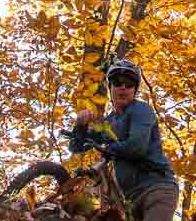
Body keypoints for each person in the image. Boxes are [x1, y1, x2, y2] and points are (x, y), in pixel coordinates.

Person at [74, 58, 178, 221]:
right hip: (131, 198)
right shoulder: (109, 122)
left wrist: (109, 149)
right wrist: (80, 126)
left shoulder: (141, 110)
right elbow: (77, 147)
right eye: (117, 82)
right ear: (110, 88)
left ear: (135, 90)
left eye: (129, 84)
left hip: (157, 189)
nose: (123, 87)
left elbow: (136, 147)